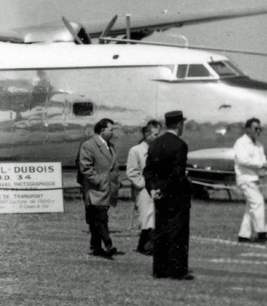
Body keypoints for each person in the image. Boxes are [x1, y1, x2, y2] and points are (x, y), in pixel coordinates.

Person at [144, 110, 193, 280]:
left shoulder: (155, 144)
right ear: (179, 124)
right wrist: (165, 189)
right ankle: (177, 269)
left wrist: (153, 189)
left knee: (161, 231)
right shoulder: (180, 145)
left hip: (158, 194)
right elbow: (177, 174)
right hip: (176, 195)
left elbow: (148, 170)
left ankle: (160, 268)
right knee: (177, 233)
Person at [77, 118, 120, 258]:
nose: (113, 132)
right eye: (111, 129)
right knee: (100, 219)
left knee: (98, 219)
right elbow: (86, 168)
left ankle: (96, 248)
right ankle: (108, 244)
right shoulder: (88, 145)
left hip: (107, 190)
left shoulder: (111, 146)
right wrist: (99, 181)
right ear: (102, 130)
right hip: (95, 191)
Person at [126, 120, 162, 255]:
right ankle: (148, 246)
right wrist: (143, 185)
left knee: (153, 217)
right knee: (146, 217)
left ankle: (145, 245)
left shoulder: (158, 150)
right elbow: (132, 171)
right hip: (143, 190)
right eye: (155, 134)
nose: (158, 137)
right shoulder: (136, 151)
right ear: (147, 135)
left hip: (156, 189)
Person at [234, 118, 267, 243]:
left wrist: (263, 166)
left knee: (251, 208)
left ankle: (243, 235)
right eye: (256, 128)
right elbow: (243, 160)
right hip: (245, 179)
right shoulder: (240, 143)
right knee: (258, 202)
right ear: (248, 129)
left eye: (260, 128)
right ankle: (261, 232)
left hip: (255, 179)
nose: (258, 131)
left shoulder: (259, 145)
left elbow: (264, 160)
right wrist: (260, 165)